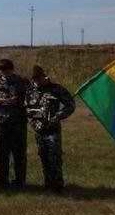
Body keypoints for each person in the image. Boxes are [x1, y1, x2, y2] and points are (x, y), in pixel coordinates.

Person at [25, 65, 75, 193]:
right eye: (34, 79)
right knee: (44, 157)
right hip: (39, 130)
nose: (36, 81)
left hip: (52, 129)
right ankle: (48, 184)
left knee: (55, 157)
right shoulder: (31, 91)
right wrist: (32, 119)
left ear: (43, 76)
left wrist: (57, 116)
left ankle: (57, 186)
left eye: (38, 78)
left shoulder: (56, 89)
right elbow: (27, 108)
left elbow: (70, 105)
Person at [0, 58, 29, 189]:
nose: (4, 73)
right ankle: (2, 180)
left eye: (7, 70)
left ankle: (19, 181)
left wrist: (18, 102)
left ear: (12, 69)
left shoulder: (22, 82)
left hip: (18, 123)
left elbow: (31, 100)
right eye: (2, 71)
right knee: (2, 153)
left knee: (19, 153)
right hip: (1, 123)